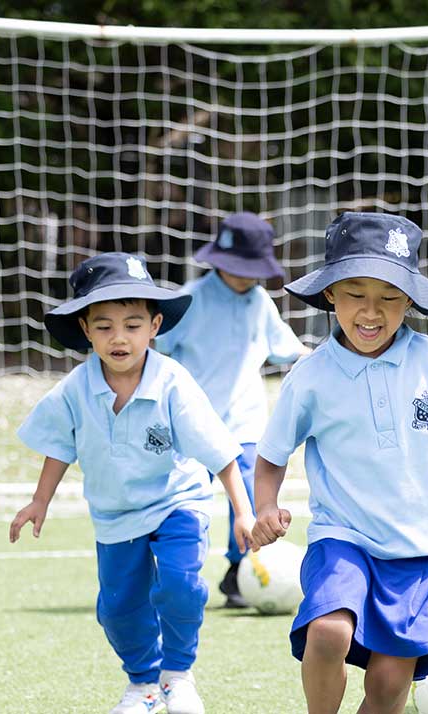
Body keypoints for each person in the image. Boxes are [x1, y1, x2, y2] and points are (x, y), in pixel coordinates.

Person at [249, 211, 428, 714]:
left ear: (411, 300)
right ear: (331, 293)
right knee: (329, 630)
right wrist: (266, 505)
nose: (371, 311)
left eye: (389, 297)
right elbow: (271, 456)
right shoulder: (310, 376)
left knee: (387, 684)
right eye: (356, 293)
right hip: (343, 537)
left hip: (418, 551)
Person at [8, 252, 254, 714]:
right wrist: (38, 502)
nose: (119, 337)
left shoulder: (173, 383)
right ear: (85, 329)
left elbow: (219, 450)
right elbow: (60, 445)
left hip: (176, 501)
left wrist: (242, 510)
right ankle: (142, 682)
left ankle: (177, 675)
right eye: (104, 326)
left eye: (133, 324)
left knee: (180, 586)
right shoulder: (74, 390)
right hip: (115, 513)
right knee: (117, 609)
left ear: (155, 326)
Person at [154, 212, 309, 608]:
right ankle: (167, 571)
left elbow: (288, 349)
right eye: (238, 268)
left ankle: (241, 574)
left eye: (253, 269)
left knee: (251, 500)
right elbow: (160, 353)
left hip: (245, 423)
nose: (246, 277)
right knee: (180, 499)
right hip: (192, 425)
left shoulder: (260, 302)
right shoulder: (190, 299)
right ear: (218, 260)